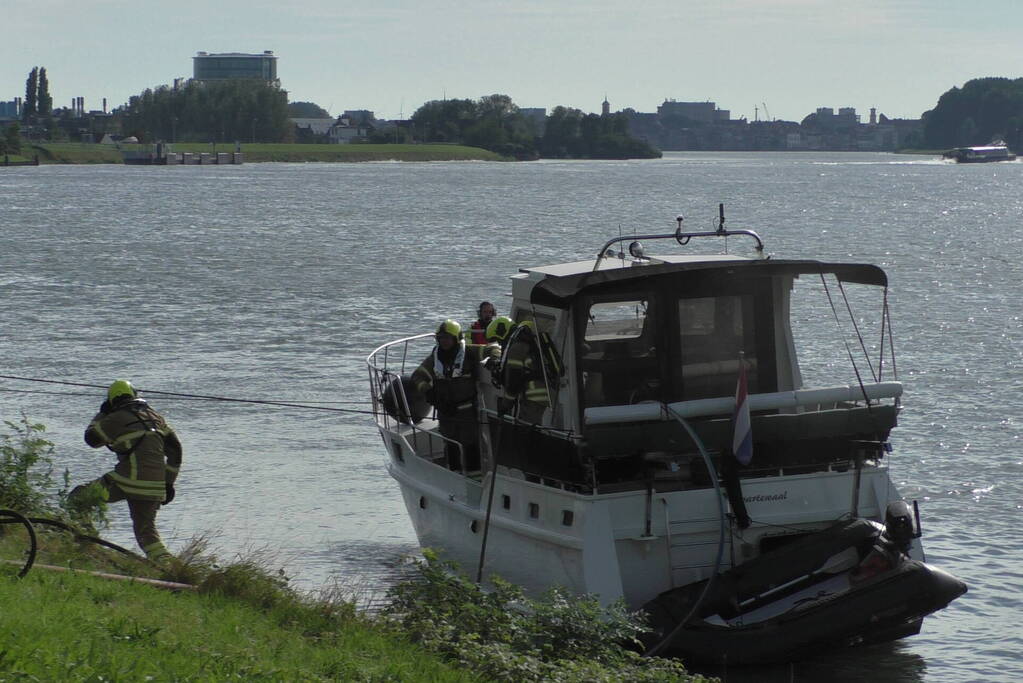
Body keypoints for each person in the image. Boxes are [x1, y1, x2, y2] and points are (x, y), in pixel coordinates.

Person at [70, 380, 182, 563]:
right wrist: (168, 483)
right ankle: (171, 567)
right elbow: (175, 451)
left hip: (127, 481)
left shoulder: (116, 418)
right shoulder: (156, 417)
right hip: (154, 486)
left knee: (78, 497)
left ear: (112, 400)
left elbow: (91, 439)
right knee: (146, 533)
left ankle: (89, 545)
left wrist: (101, 413)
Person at [412, 319, 482, 471]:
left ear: (456, 339)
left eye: (448, 338)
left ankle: (474, 481)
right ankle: (455, 476)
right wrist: (430, 393)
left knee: (471, 447)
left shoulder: (469, 353)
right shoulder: (434, 359)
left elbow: (493, 349)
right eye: (441, 338)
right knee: (450, 446)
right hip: (445, 412)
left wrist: (494, 359)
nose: (444, 341)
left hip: (467, 412)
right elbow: (417, 376)